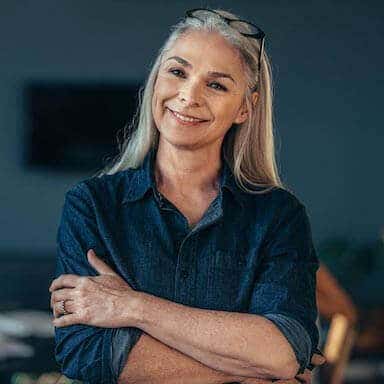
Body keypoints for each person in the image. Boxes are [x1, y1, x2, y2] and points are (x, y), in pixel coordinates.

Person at [49, 8, 326, 384]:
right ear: (156, 80)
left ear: (245, 107)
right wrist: (248, 373)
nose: (188, 95)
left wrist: (133, 307)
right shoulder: (93, 205)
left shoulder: (279, 216)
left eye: (217, 85)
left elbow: (282, 350)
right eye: (178, 72)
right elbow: (87, 352)